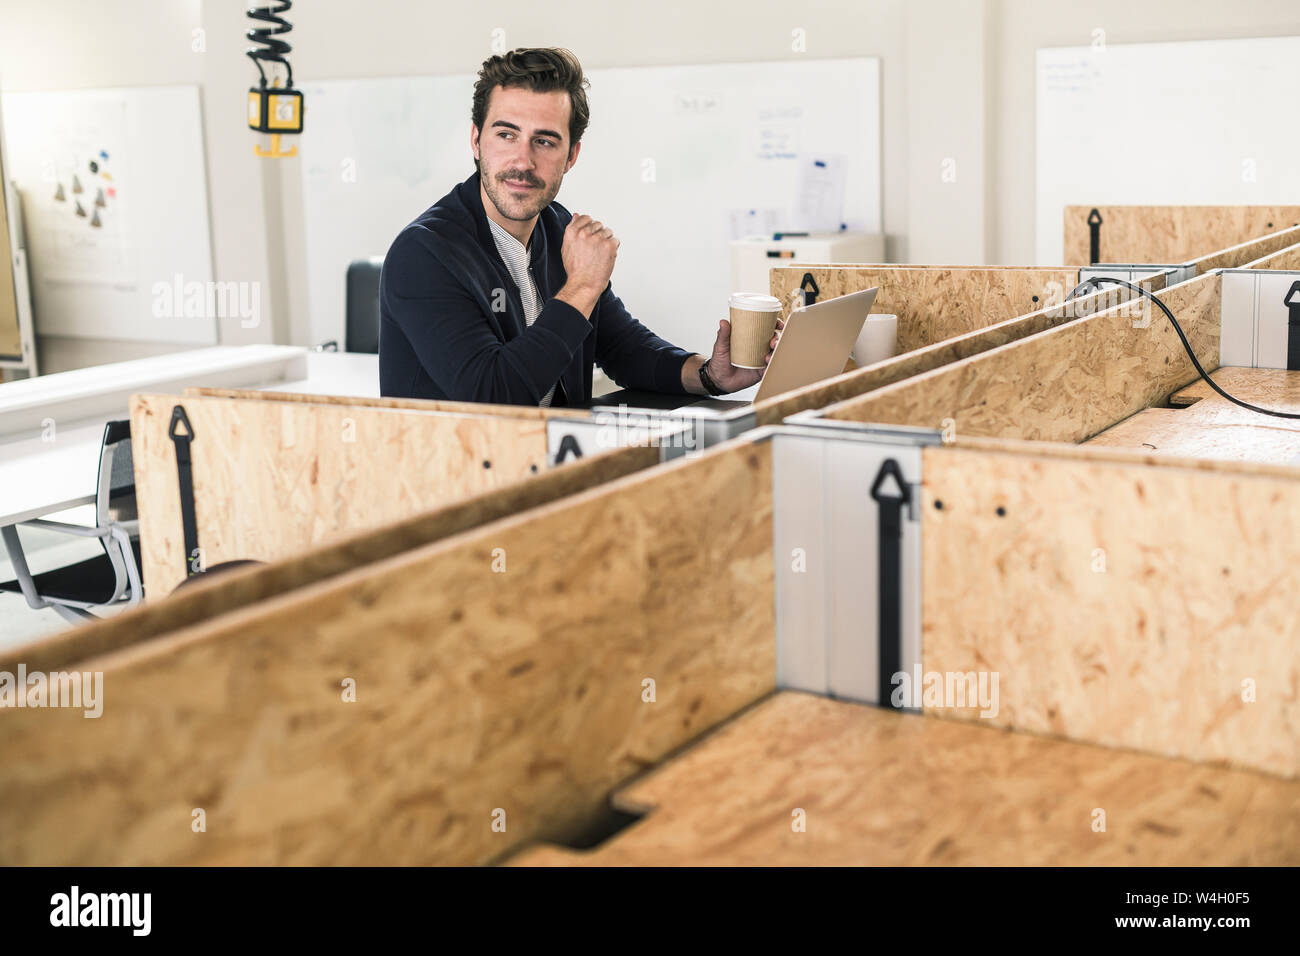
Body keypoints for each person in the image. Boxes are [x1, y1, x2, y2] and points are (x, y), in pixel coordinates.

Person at [379, 47, 780, 406]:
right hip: (461, 480)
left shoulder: (559, 229)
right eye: (506, 135)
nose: (522, 161)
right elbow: (495, 394)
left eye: (545, 141)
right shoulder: (424, 254)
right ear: (476, 140)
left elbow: (623, 349)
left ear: (571, 155)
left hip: (551, 467)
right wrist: (582, 287)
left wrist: (711, 375)